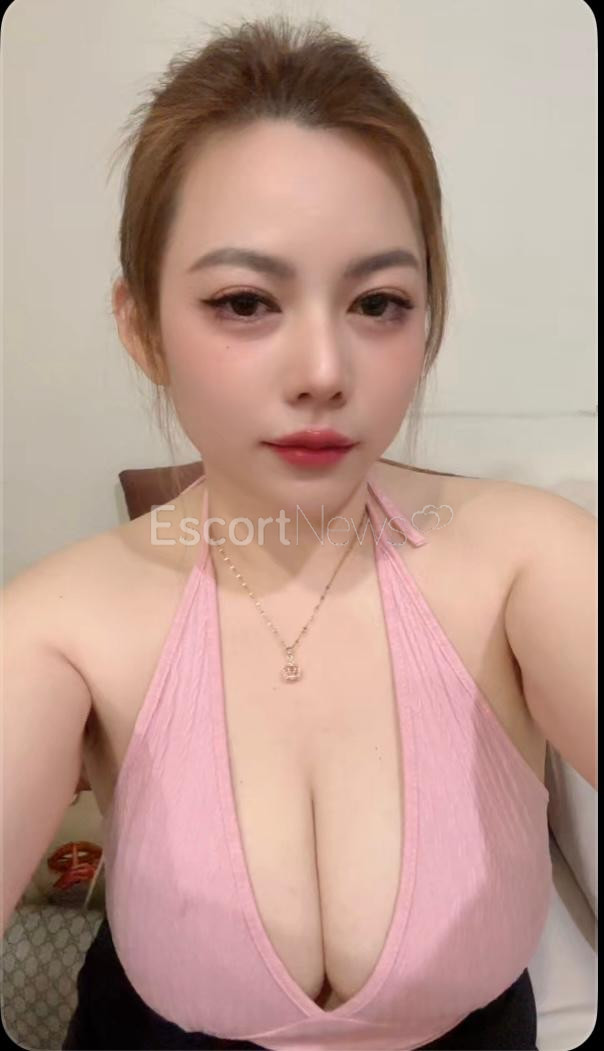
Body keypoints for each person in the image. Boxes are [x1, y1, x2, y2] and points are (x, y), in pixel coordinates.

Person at [3, 12, 595, 1051]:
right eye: (244, 302)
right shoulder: (57, 625)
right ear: (142, 327)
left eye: (379, 302)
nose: (324, 369)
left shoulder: (530, 562)